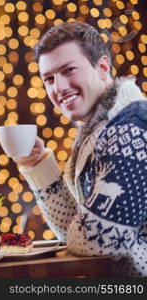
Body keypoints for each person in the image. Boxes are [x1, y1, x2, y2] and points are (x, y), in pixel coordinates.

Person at [13, 22, 147, 277]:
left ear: (103, 67)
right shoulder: (100, 130)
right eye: (49, 79)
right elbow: (74, 233)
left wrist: (84, 231)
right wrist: (38, 165)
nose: (59, 88)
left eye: (69, 70)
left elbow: (96, 243)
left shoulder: (131, 129)